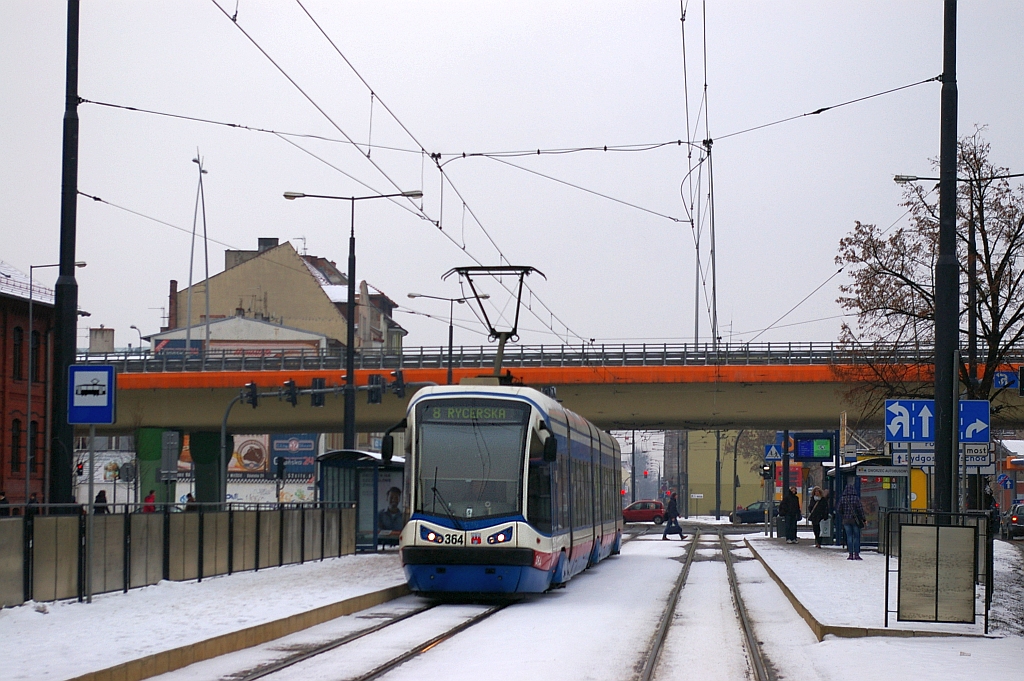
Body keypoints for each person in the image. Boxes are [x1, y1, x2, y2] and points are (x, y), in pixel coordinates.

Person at [837, 483, 866, 560]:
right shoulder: (856, 498)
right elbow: (860, 510)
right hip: (855, 520)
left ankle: (850, 554)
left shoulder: (843, 498)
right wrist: (863, 519)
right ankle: (856, 554)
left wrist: (844, 514)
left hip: (846, 520)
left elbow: (839, 509)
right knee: (856, 536)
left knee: (849, 536)